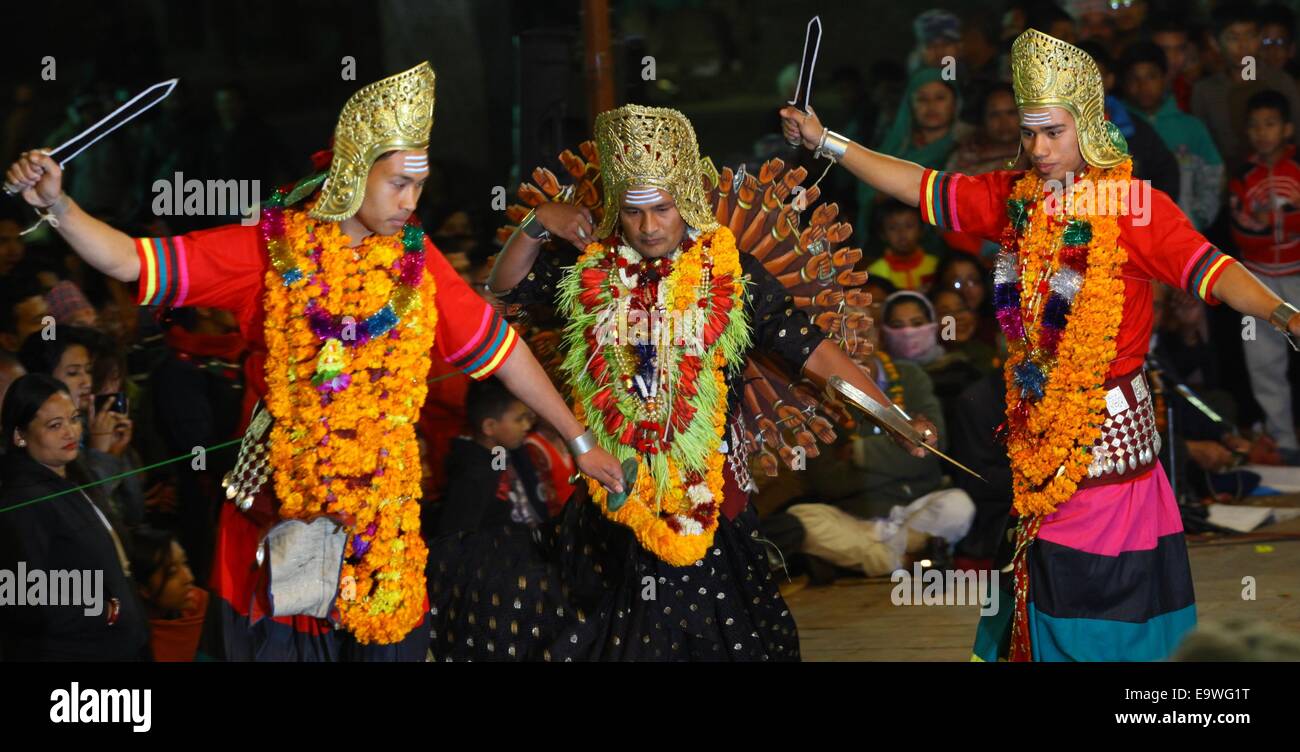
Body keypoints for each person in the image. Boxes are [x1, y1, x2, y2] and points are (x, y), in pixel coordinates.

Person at [4, 61, 624, 660]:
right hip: (281, 531)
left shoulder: (417, 262)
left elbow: (503, 350)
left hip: (382, 532)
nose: (412, 201)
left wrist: (578, 439)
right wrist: (59, 206)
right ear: (353, 173)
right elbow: (130, 261)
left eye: (420, 184)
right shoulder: (269, 253)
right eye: (399, 183)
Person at [782, 27, 1300, 662]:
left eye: (1053, 132)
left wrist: (1281, 312)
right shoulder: (1014, 199)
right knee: (1044, 581)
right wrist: (826, 140)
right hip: (1034, 436)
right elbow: (922, 187)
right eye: (1029, 134)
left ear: (1088, 123)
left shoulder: (1134, 207)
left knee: (1105, 595)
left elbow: (1212, 270)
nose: (1039, 148)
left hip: (1107, 445)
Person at [482, 103, 934, 660]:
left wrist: (888, 415)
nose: (649, 228)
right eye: (633, 213)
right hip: (619, 495)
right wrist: (536, 223)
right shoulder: (590, 269)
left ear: (685, 201)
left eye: (663, 209)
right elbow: (506, 287)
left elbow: (812, 351)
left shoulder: (729, 272)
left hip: (713, 500)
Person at [0, 374, 148, 660]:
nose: (70, 432)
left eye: (74, 418)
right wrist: (107, 612)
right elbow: (21, 595)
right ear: (19, 435)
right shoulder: (23, 500)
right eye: (55, 426)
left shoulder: (73, 476)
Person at [1228, 89, 1300, 464]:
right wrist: (1288, 220)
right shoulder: (1242, 175)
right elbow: (1243, 231)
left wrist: (1273, 220)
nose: (1262, 133)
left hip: (1298, 275)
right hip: (1255, 283)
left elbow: (1262, 223)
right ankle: (1283, 439)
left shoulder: (1297, 168)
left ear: (1287, 128)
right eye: (1254, 126)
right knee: (1263, 363)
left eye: (1270, 124)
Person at [1121, 41, 1225, 232]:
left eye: (1151, 77)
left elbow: (1213, 175)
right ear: (1123, 83)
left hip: (1184, 232)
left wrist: (1198, 218)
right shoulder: (1116, 127)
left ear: (1165, 77)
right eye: (1134, 79)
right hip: (1132, 235)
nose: (1143, 86)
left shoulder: (1191, 126)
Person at [127, 525, 220, 661]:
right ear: (144, 589)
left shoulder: (199, 607)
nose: (189, 578)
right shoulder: (129, 642)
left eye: (185, 563)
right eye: (172, 572)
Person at [866, 200, 939, 292]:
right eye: (893, 228)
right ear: (882, 234)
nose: (902, 233)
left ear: (921, 230)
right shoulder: (876, 271)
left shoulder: (935, 266)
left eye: (909, 226)